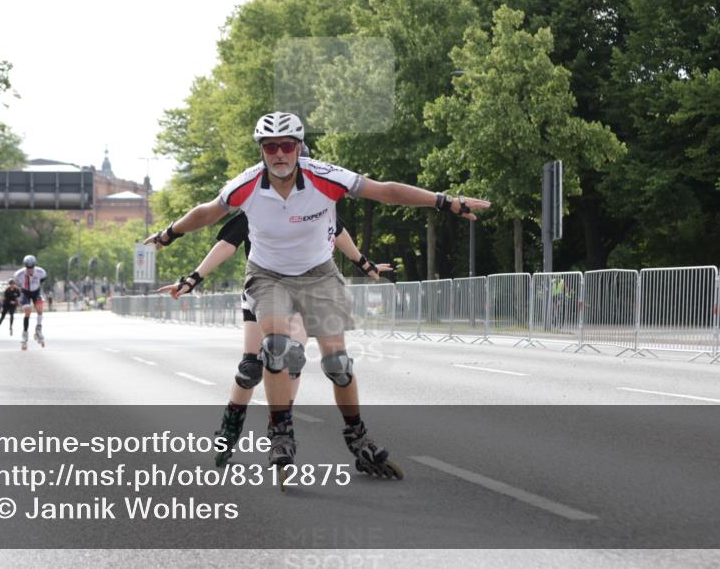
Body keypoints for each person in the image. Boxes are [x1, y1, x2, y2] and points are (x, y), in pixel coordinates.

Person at [146, 111, 489, 478]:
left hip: (320, 275)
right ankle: (280, 431)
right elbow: (208, 213)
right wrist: (170, 234)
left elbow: (385, 191)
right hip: (268, 275)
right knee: (276, 347)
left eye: (287, 146)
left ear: (298, 148)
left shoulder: (324, 177)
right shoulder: (245, 187)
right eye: (271, 147)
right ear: (262, 151)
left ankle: (357, 437)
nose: (280, 154)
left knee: (337, 366)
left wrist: (445, 201)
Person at [157, 205, 391, 467]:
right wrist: (192, 279)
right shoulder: (257, 204)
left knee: (292, 357)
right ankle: (229, 429)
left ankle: (283, 429)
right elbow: (226, 244)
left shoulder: (316, 202)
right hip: (264, 290)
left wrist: (363, 262)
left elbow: (337, 231)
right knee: (251, 369)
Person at [14, 254, 48, 350]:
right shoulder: (19, 274)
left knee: (40, 309)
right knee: (27, 311)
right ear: (25, 266)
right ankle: (25, 333)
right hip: (25, 292)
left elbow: (43, 280)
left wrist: (35, 284)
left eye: (32, 267)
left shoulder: (41, 272)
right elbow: (17, 283)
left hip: (36, 292)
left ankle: (38, 329)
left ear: (34, 265)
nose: (30, 269)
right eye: (28, 267)